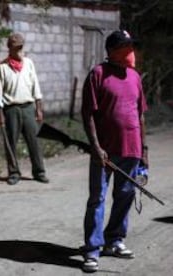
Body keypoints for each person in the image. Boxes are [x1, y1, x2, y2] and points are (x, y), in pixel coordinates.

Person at [80, 30, 148, 273]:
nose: (130, 50)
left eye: (131, 46)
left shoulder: (134, 77)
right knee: (97, 199)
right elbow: (87, 114)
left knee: (125, 196)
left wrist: (144, 151)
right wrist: (96, 147)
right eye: (125, 46)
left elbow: (140, 115)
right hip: (104, 152)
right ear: (112, 50)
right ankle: (91, 250)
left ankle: (115, 240)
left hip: (131, 149)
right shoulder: (98, 74)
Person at [0, 32, 49, 185]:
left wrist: (38, 108)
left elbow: (35, 85)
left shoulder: (29, 63)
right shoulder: (3, 67)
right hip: (11, 109)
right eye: (16, 48)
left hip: (28, 107)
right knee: (11, 142)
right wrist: (0, 113)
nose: (19, 51)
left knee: (34, 141)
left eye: (21, 48)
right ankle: (13, 173)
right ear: (10, 49)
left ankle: (39, 172)